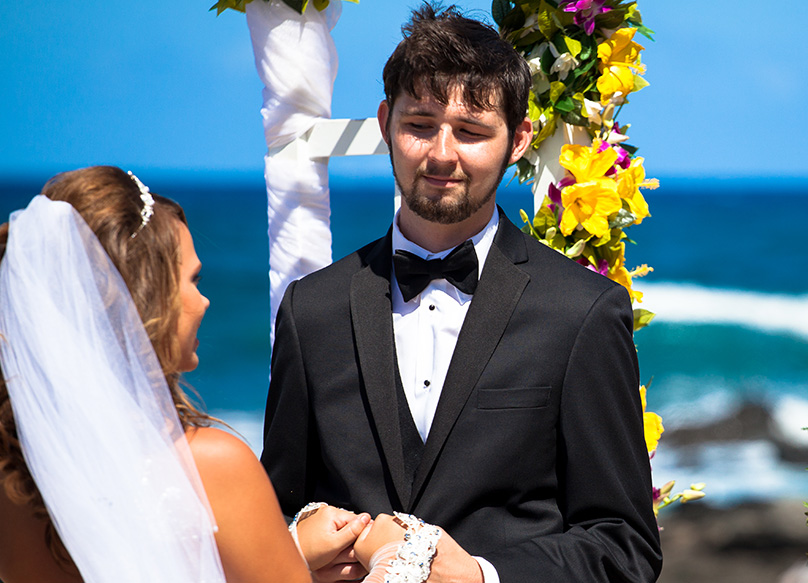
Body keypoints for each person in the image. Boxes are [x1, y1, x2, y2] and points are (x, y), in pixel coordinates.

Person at [260, 5, 661, 583]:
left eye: (471, 131)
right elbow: (276, 519)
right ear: (385, 122)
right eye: (420, 124)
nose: (442, 153)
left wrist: (481, 576)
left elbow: (625, 549)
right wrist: (300, 552)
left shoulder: (583, 311)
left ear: (520, 138)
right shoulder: (312, 310)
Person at [0, 166, 373, 583]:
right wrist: (396, 551)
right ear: (147, 297)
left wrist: (292, 552)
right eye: (192, 280)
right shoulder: (213, 466)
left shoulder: (17, 473)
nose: (205, 300)